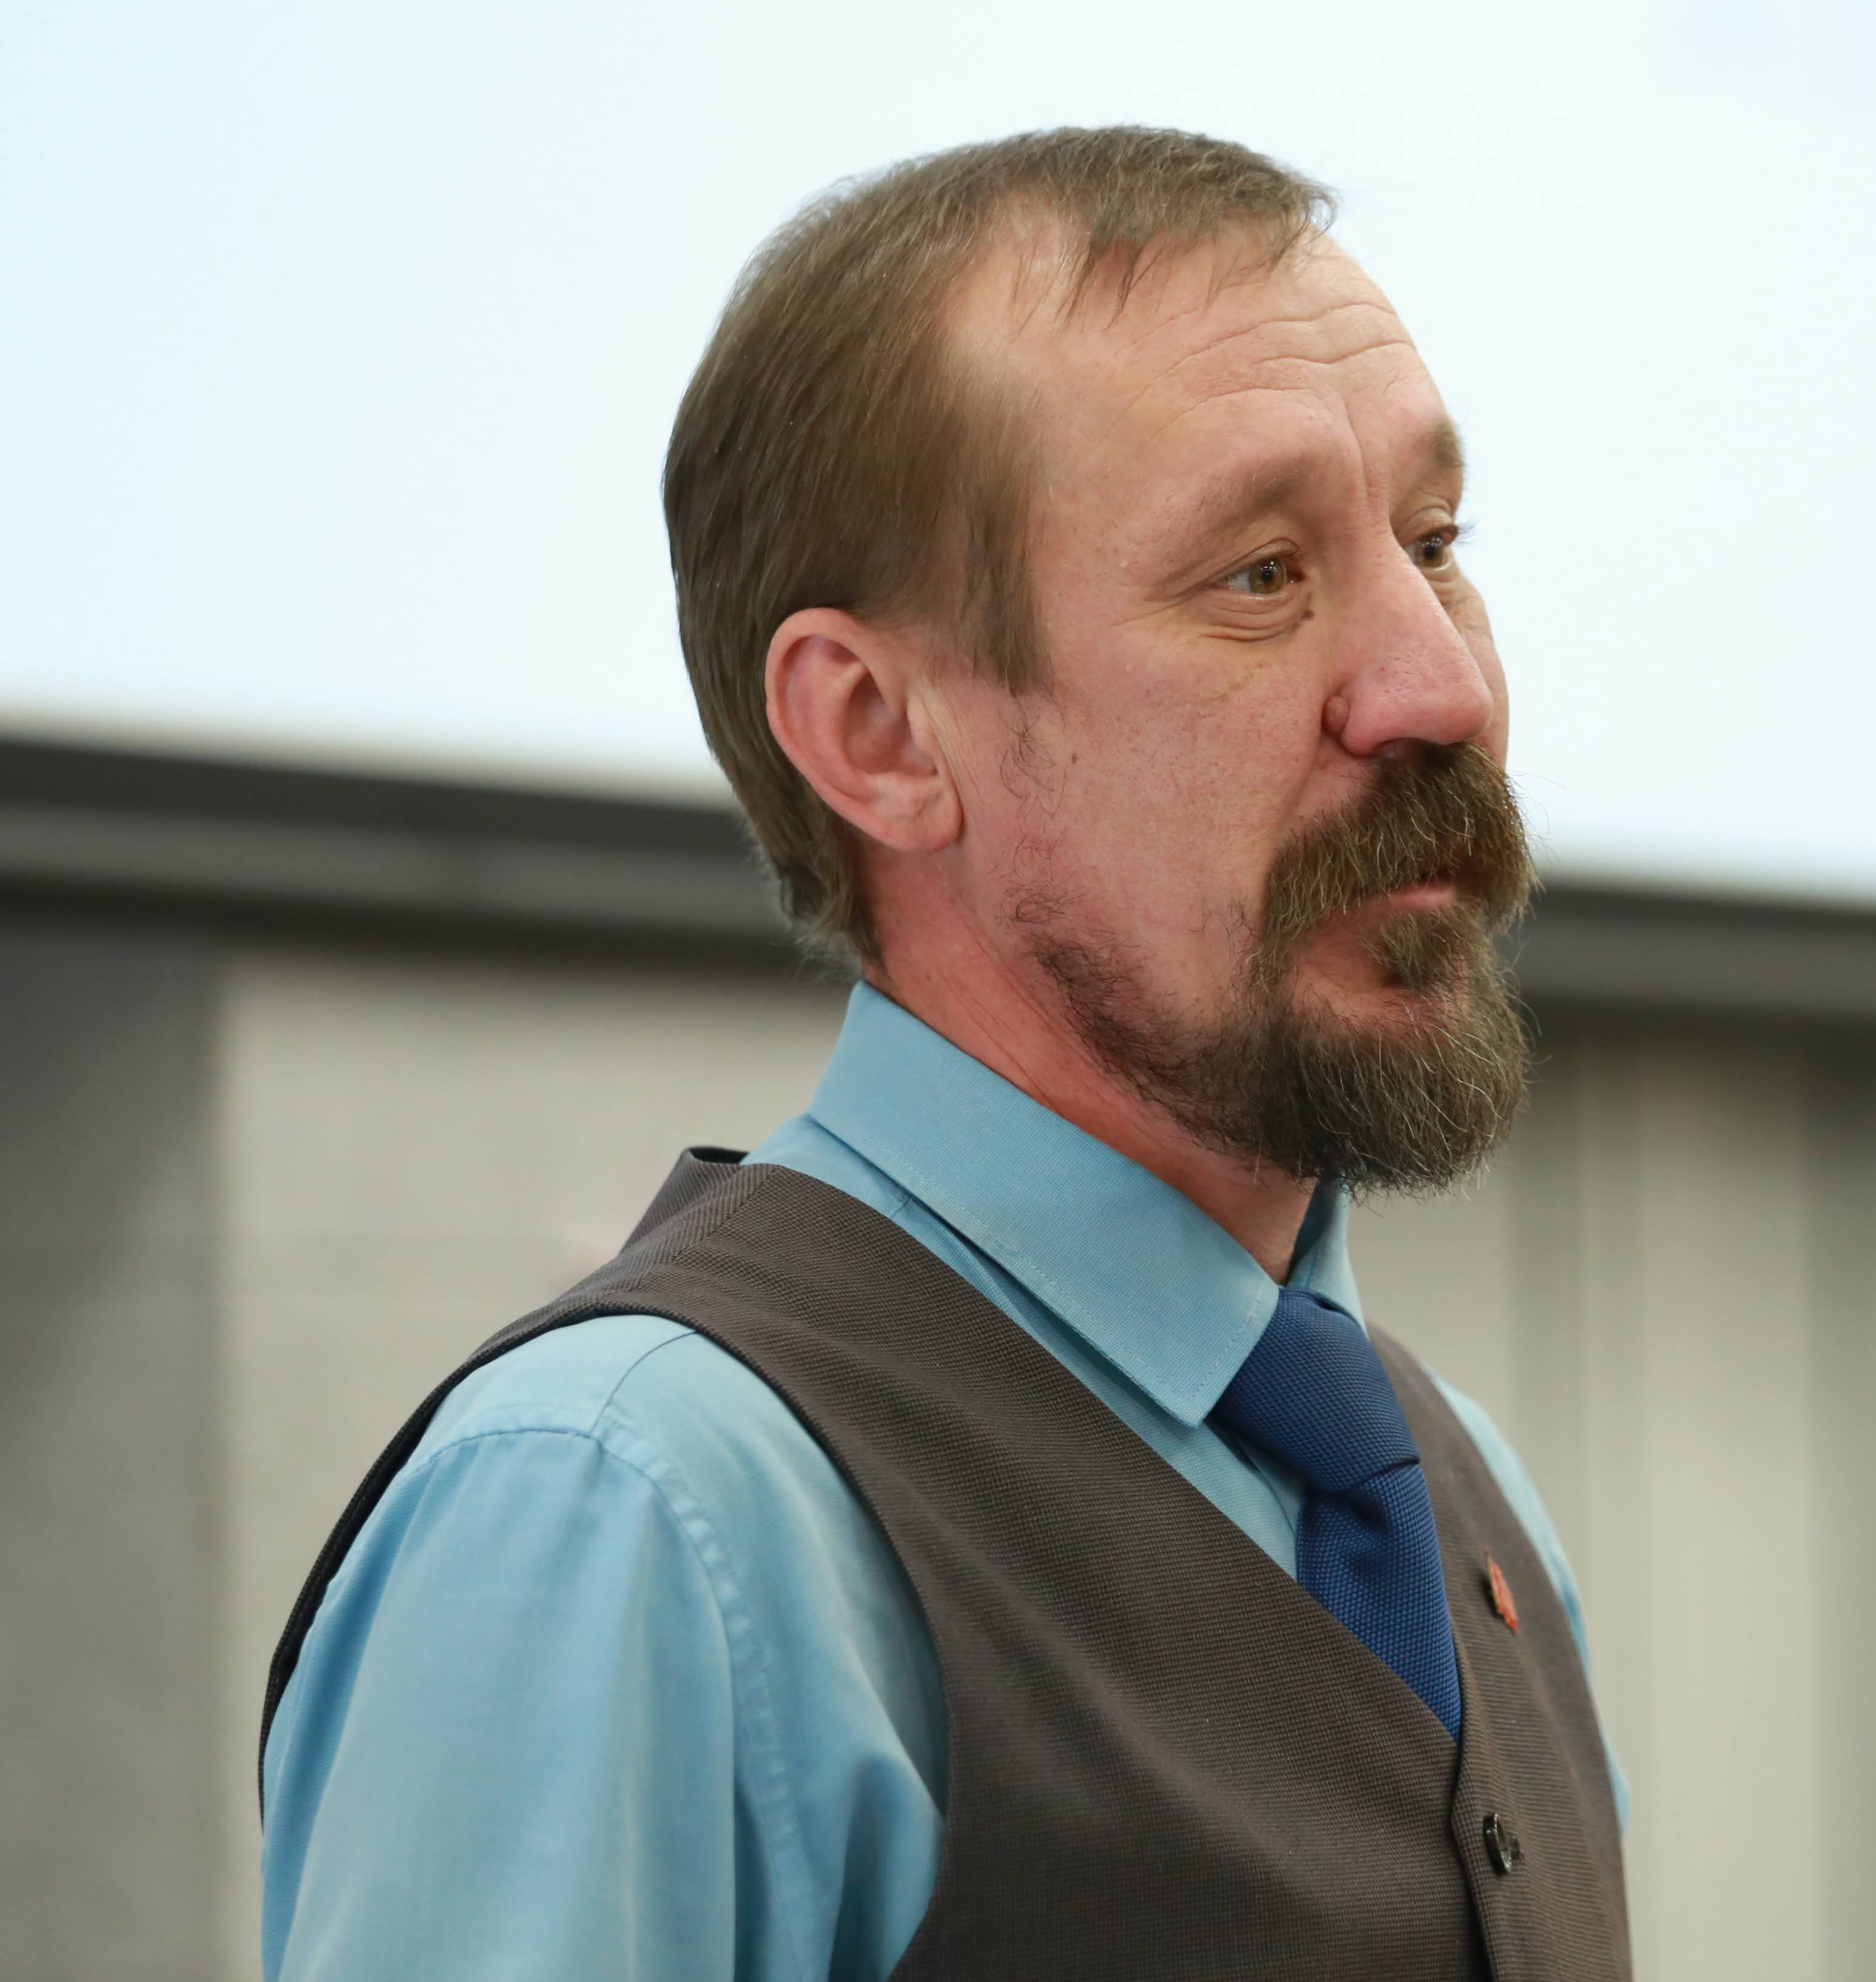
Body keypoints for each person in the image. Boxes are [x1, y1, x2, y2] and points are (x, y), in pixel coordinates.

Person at [259, 126, 1628, 1981]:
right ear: (880, 732)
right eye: (1257, 574)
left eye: (1436, 546)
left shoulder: (1468, 1503)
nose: (1439, 687)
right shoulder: (637, 1507)